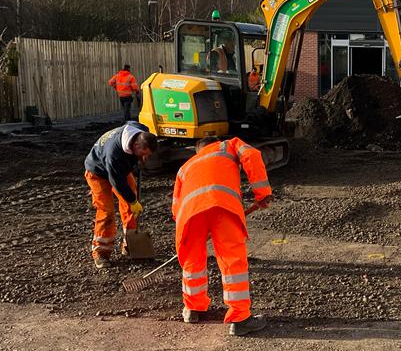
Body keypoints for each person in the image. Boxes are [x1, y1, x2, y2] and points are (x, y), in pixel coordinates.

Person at [172, 136, 272, 334]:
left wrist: (195, 227)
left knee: (192, 260)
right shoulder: (228, 145)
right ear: (214, 143)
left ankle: (193, 309)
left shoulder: (185, 167)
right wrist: (262, 193)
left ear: (198, 150)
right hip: (223, 206)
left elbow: (176, 207)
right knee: (232, 259)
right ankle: (240, 318)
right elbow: (252, 154)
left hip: (189, 213)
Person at [84, 121, 157, 269]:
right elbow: (116, 181)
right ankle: (101, 252)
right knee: (107, 211)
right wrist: (132, 200)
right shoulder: (114, 154)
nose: (145, 158)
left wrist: (140, 159)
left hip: (119, 169)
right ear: (135, 146)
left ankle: (130, 243)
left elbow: (132, 123)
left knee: (131, 207)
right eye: (143, 154)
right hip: (98, 172)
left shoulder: (140, 131)